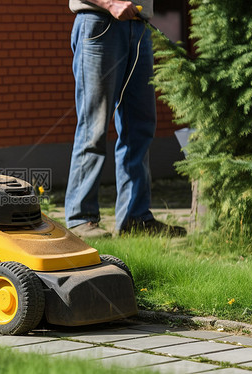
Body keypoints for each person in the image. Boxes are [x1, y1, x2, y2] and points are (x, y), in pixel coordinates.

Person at [65, 0, 186, 238]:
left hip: (139, 27)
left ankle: (135, 218)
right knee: (94, 127)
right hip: (100, 23)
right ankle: (80, 218)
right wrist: (110, 2)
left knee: (139, 127)